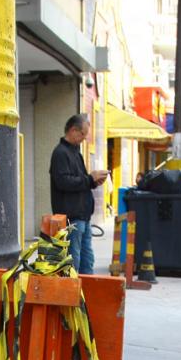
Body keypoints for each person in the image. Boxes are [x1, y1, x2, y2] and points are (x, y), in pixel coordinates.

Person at [49, 114, 109, 275]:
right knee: (73, 262)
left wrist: (93, 181)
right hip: (72, 218)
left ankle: (86, 295)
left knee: (87, 262)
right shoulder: (60, 153)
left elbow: (78, 181)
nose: (84, 138)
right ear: (73, 130)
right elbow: (63, 182)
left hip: (83, 217)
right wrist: (89, 178)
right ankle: (74, 298)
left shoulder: (76, 153)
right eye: (83, 134)